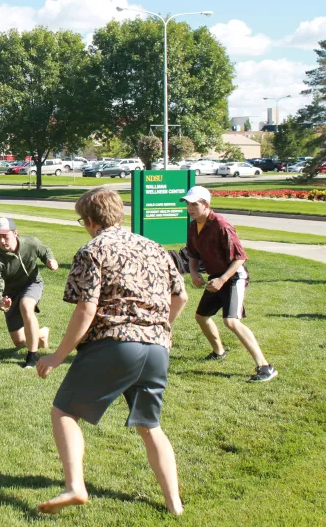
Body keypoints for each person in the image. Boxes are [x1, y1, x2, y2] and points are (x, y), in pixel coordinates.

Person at [36, 188, 188, 516]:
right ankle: (174, 504)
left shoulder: (93, 250)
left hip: (116, 344)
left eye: (82, 221)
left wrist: (57, 355)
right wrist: (158, 327)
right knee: (151, 426)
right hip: (157, 349)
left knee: (64, 412)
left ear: (90, 221)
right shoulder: (155, 247)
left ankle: (75, 486)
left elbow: (85, 310)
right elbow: (181, 297)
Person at [181, 186, 277, 383]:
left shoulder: (222, 225)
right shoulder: (193, 226)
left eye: (194, 204)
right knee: (201, 317)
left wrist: (222, 279)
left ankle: (265, 367)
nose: (190, 208)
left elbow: (240, 258)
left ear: (206, 205)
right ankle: (219, 352)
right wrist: (193, 273)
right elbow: (193, 254)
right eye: (188, 204)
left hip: (233, 277)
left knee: (231, 321)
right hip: (216, 277)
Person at [0, 217, 59, 369]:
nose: (2, 241)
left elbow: (45, 250)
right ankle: (41, 334)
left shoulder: (30, 243)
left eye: (5, 236)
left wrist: (50, 260)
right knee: (19, 341)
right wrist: (1, 302)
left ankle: (32, 357)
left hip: (31, 283)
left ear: (15, 233)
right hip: (10, 294)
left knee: (26, 306)